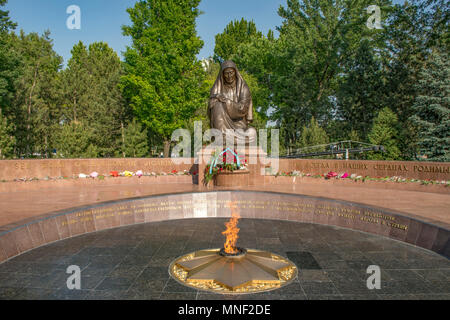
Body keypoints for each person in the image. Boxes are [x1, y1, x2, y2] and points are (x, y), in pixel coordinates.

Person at [208, 60, 257, 145]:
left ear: (235, 72)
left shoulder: (243, 87)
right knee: (217, 104)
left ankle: (228, 139)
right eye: (226, 73)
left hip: (239, 126)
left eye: (231, 72)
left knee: (252, 133)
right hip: (222, 126)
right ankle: (222, 137)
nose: (229, 76)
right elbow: (210, 107)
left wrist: (226, 101)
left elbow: (243, 109)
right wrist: (216, 98)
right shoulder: (218, 88)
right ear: (222, 74)